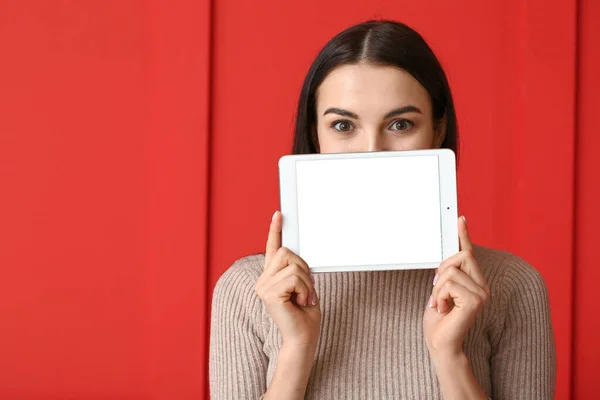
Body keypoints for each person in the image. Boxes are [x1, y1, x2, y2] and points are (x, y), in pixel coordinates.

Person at [209, 20, 556, 399]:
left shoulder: (510, 287)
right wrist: (295, 351)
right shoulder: (246, 292)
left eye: (400, 124)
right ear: (315, 135)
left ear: (438, 132)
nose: (371, 151)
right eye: (343, 125)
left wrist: (450, 357)